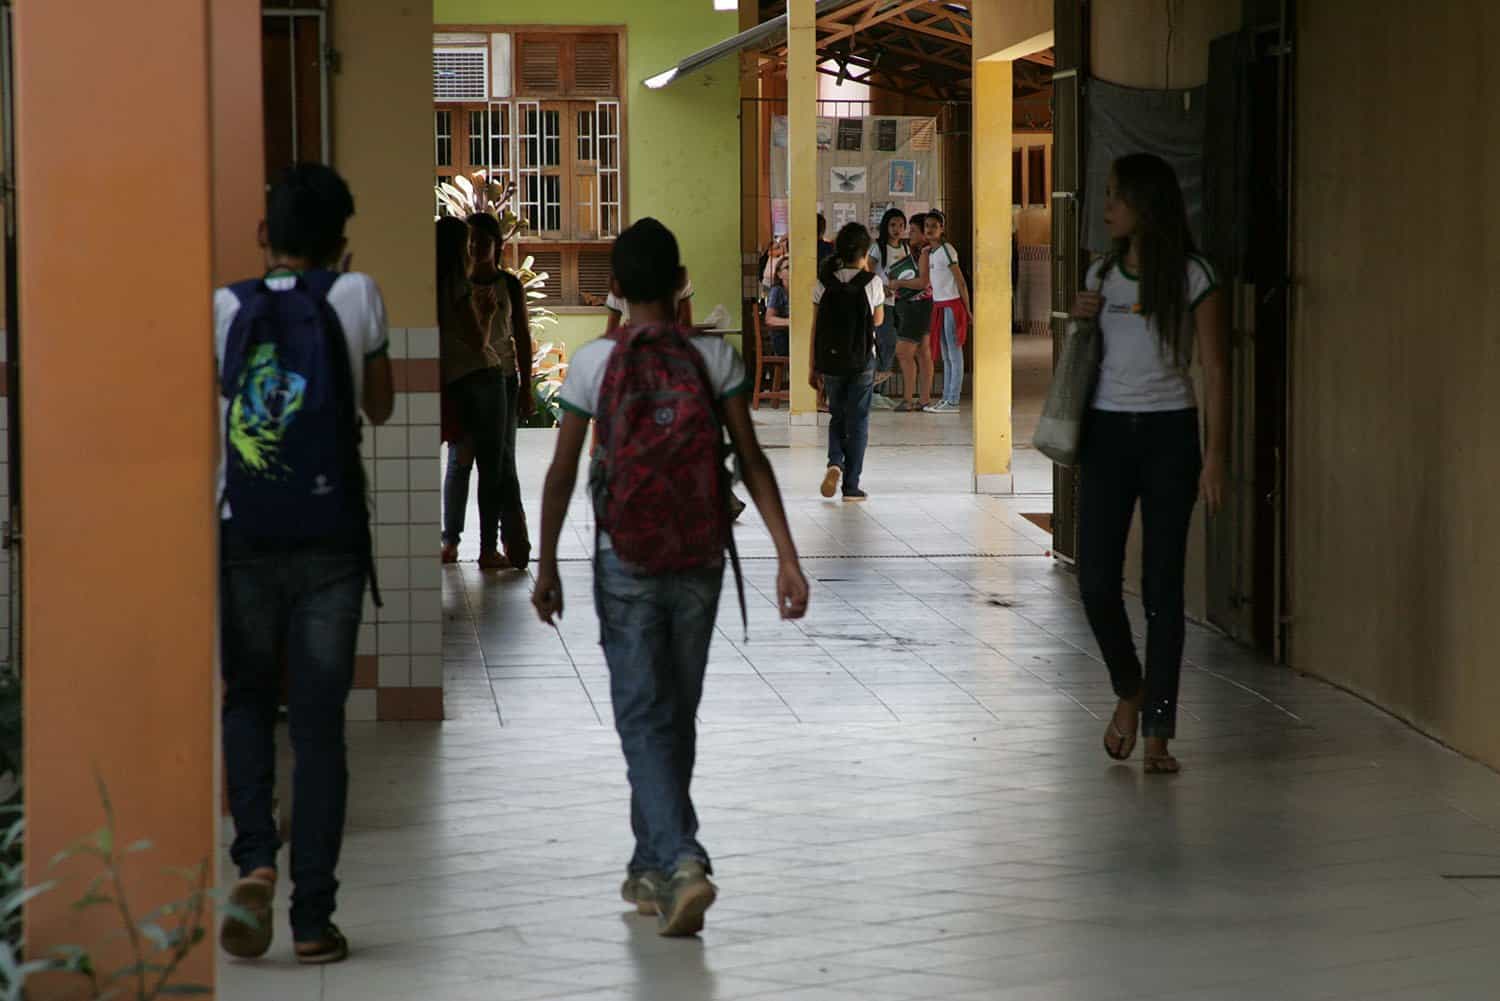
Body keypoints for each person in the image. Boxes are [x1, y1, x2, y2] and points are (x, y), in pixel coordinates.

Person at [531, 218, 809, 937]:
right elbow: (752, 459)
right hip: (700, 556)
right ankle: (650, 863)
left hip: (624, 557)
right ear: (681, 282)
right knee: (673, 713)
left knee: (642, 714)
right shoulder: (713, 359)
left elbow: (562, 472)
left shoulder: (594, 363)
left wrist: (548, 562)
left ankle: (682, 858)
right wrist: (787, 555)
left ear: (616, 288)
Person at [215, 163, 394, 965]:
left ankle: (255, 859)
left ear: (265, 235)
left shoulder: (225, 306)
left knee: (249, 700)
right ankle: (314, 919)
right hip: (330, 539)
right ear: (340, 241)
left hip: (245, 533)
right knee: (320, 728)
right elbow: (380, 405)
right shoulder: (356, 294)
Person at [1070, 152, 1227, 775]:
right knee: (1095, 581)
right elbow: (1085, 357)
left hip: (1170, 435)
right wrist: (1079, 320)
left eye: (1117, 196)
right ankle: (1130, 687)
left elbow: (1215, 366)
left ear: (1146, 204)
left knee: (1163, 587)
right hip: (1107, 434)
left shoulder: (1193, 274)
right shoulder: (1101, 273)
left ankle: (1159, 730)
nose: (1107, 207)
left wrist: (1215, 455)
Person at [441, 212, 533, 569]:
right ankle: (464, 543)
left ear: (498, 245)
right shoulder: (458, 285)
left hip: (501, 379)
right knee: (468, 462)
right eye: (471, 241)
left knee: (500, 462)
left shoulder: (508, 285)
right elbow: (476, 339)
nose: (476, 247)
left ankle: (510, 540)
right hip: (475, 379)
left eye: (482, 241)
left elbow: (521, 336)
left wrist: (525, 386)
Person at [810, 222, 884, 502]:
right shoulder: (872, 282)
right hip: (862, 360)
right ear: (864, 253)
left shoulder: (823, 283)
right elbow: (878, 320)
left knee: (837, 415)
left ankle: (834, 462)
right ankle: (851, 486)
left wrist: (813, 366)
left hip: (831, 360)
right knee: (859, 420)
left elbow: (816, 328)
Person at [922, 210, 972, 413]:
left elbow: (961, 281)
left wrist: (967, 310)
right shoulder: (931, 252)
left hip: (952, 305)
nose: (930, 229)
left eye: (934, 226)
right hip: (939, 306)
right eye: (927, 226)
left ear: (942, 229)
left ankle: (953, 400)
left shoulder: (947, 250)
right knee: (946, 354)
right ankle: (946, 398)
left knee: (954, 353)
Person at [888, 211, 934, 413]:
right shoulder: (925, 251)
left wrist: (899, 283)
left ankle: (907, 399)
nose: (909, 234)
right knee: (923, 353)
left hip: (917, 306)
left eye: (914, 230)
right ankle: (924, 399)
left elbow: (923, 282)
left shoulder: (924, 253)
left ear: (924, 233)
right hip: (924, 306)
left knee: (904, 352)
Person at [869, 207, 909, 398]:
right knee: (887, 342)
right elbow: (867, 272)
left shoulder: (905, 248)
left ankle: (879, 390)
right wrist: (880, 288)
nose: (897, 229)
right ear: (886, 226)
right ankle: (875, 387)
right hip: (882, 304)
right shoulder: (877, 248)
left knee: (892, 345)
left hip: (899, 303)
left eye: (901, 225)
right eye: (893, 225)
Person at [764, 256, 791, 356]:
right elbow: (769, 319)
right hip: (782, 339)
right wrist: (791, 322)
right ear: (779, 274)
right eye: (787, 267)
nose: (792, 270)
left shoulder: (799, 291)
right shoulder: (777, 291)